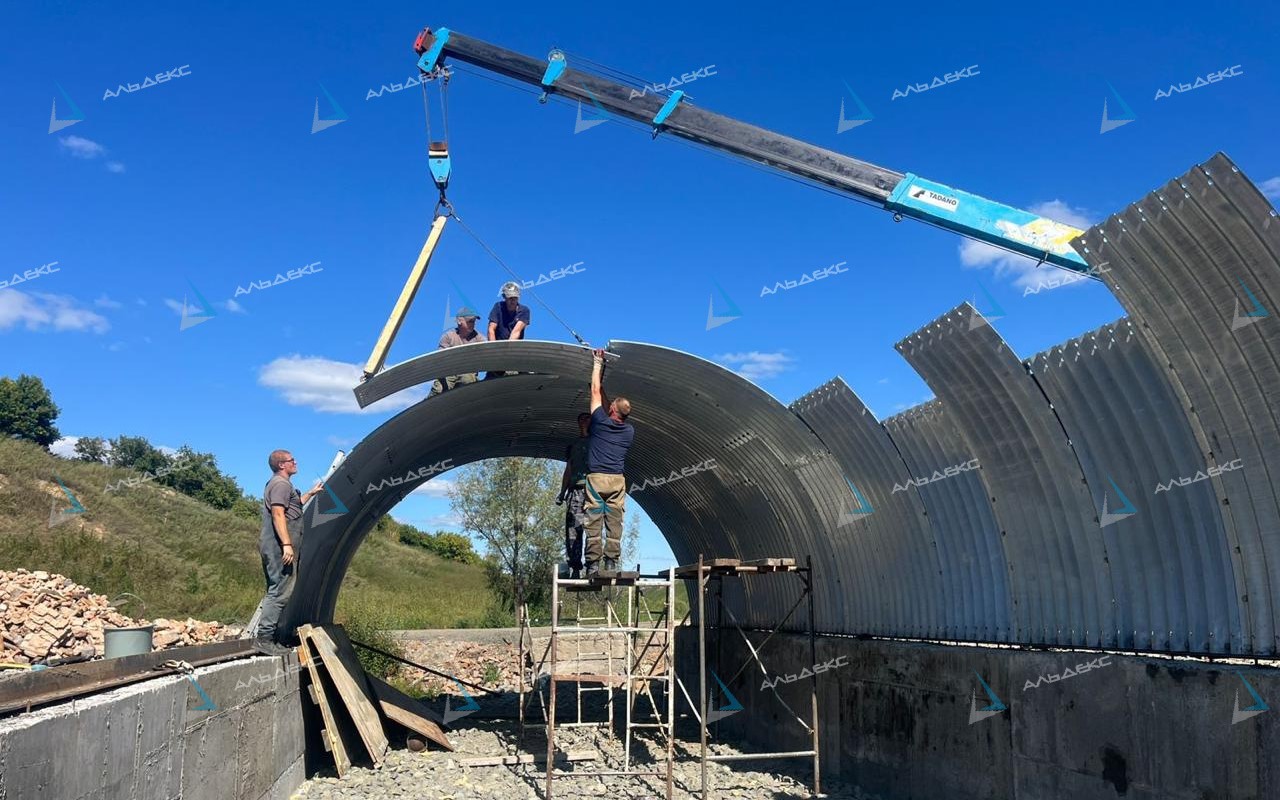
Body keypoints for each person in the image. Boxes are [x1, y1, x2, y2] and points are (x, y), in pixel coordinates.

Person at [256, 449, 324, 650]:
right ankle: (264, 640)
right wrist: (286, 544)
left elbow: (292, 508)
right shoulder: (280, 484)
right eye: (291, 460)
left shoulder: (283, 485)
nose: (295, 462)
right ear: (281, 465)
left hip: (278, 547)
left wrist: (310, 493)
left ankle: (271, 638)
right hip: (279, 548)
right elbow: (278, 514)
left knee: (279, 590)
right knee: (279, 592)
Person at [582, 348, 634, 576]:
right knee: (614, 522)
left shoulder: (599, 422)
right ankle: (611, 562)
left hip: (596, 479)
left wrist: (597, 362)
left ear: (611, 409)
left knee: (593, 521)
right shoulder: (629, 431)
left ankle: (593, 564)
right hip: (617, 481)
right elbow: (603, 400)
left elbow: (595, 391)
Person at [556, 412, 592, 578]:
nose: (584, 422)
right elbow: (569, 469)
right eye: (581, 419)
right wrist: (562, 492)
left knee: (593, 529)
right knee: (573, 530)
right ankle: (575, 568)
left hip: (593, 491)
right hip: (575, 491)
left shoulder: (598, 443)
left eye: (587, 419)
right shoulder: (573, 446)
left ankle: (592, 566)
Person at [429, 306, 487, 397]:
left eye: (474, 321)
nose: (473, 324)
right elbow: (440, 359)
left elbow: (487, 354)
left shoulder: (479, 339)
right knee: (439, 389)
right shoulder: (448, 336)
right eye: (470, 321)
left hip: (468, 371)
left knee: (467, 380)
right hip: (448, 372)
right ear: (459, 321)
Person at [485, 281, 530, 379]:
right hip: (497, 349)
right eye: (510, 298)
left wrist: (507, 352)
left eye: (515, 298)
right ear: (504, 297)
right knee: (491, 378)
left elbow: (516, 332)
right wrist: (494, 349)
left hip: (514, 349)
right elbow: (491, 329)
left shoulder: (524, 310)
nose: (512, 301)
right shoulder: (498, 307)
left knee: (520, 377)